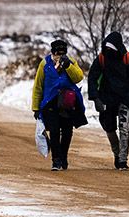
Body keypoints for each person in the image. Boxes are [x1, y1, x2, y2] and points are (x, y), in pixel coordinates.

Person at [87, 31, 129, 170]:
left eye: (111, 48)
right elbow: (92, 78)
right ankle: (117, 154)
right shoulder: (101, 58)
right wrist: (95, 99)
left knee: (124, 129)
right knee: (109, 127)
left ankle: (122, 160)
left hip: (125, 99)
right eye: (106, 47)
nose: (109, 50)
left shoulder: (127, 59)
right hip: (107, 99)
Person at [31, 38, 87, 171]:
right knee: (54, 132)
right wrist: (36, 107)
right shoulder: (45, 64)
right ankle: (56, 160)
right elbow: (38, 86)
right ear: (53, 52)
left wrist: (68, 66)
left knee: (67, 132)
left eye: (62, 53)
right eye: (57, 53)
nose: (59, 56)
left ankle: (64, 157)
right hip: (50, 103)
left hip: (67, 102)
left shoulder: (71, 62)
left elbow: (78, 77)